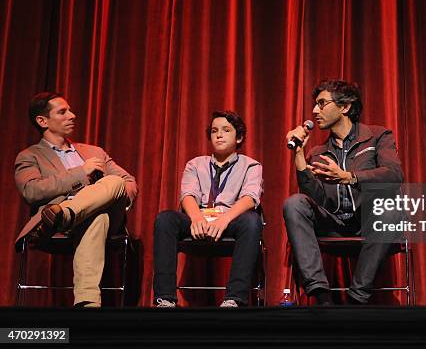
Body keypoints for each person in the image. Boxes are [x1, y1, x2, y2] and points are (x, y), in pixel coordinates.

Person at [283, 80, 404, 305]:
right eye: (315, 105)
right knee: (294, 204)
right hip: (335, 223)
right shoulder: (319, 152)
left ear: (345, 107)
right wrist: (299, 154)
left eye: (321, 104)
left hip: (369, 220)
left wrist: (349, 177)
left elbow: (394, 175)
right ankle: (321, 294)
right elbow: (316, 198)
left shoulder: (377, 137)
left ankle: (357, 297)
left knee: (392, 208)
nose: (314, 111)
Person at [14, 92, 138, 308]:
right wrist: (81, 172)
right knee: (97, 217)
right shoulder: (29, 156)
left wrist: (104, 193)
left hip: (62, 219)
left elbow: (128, 182)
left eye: (70, 110)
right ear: (42, 121)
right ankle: (87, 303)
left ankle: (66, 214)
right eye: (62, 112)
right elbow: (31, 190)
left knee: (115, 183)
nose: (72, 115)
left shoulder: (93, 151)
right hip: (61, 226)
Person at [153, 111, 263, 308]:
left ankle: (234, 299)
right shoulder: (195, 164)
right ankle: (165, 298)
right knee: (165, 219)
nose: (219, 135)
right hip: (199, 219)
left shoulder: (251, 165)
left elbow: (250, 198)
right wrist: (196, 218)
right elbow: (188, 195)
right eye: (214, 131)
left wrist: (224, 219)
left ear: (238, 137)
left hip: (229, 221)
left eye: (226, 130)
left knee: (252, 220)